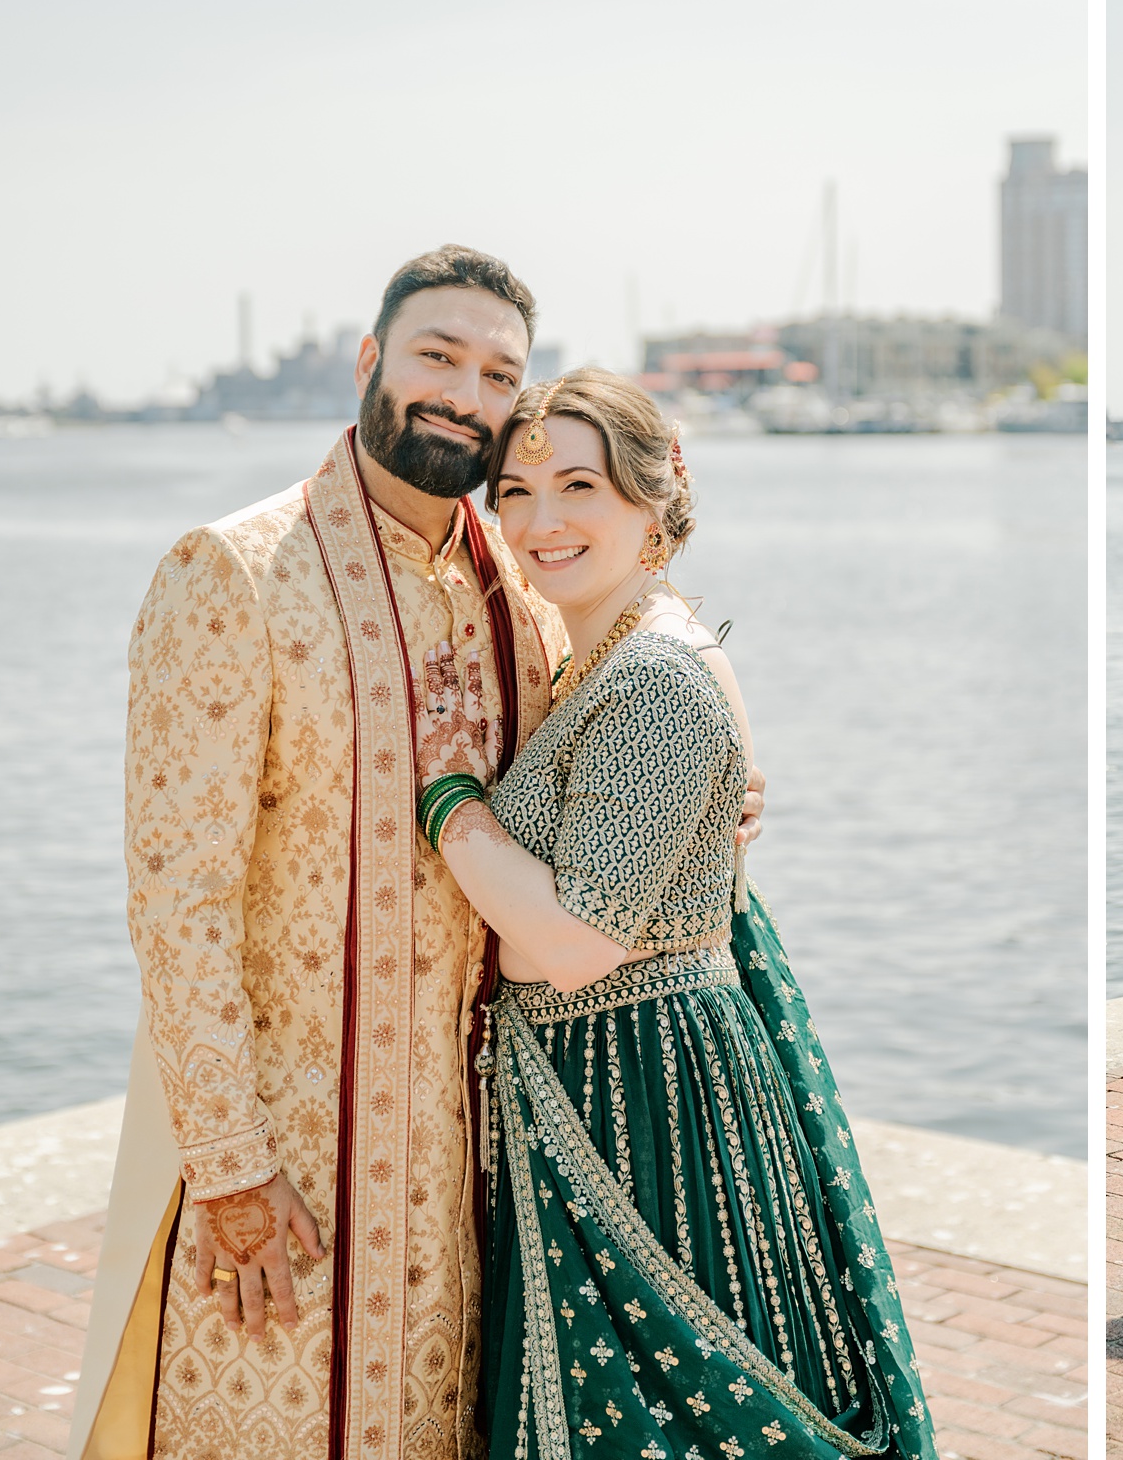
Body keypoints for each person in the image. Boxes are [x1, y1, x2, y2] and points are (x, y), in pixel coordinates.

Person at [66, 249, 762, 1460]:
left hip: (487, 1161)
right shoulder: (232, 571)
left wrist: (728, 777)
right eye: (439, 355)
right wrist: (232, 1169)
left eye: (499, 373)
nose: (464, 391)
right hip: (297, 1155)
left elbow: (625, 738)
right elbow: (179, 898)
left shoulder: (523, 591)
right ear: (371, 361)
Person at [410, 368, 934, 1460]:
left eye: (579, 487)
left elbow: (568, 941)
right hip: (609, 1074)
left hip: (649, 1092)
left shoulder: (653, 673)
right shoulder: (596, 649)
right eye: (514, 491)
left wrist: (448, 804)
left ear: (655, 502)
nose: (541, 521)